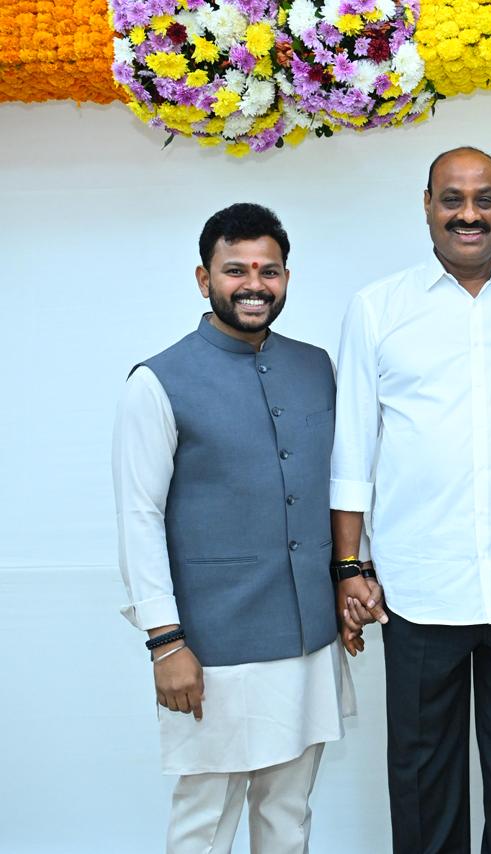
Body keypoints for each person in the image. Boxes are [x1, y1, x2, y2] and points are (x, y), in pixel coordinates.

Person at [330, 147, 491, 853]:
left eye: (484, 198)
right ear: (427, 206)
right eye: (453, 198)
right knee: (422, 782)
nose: (469, 214)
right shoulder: (377, 308)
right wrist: (348, 567)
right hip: (418, 585)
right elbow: (351, 450)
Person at [113, 203, 353, 853]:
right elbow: (138, 517)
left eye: (268, 270)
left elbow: (337, 486)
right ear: (204, 279)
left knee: (289, 812)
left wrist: (350, 578)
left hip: (308, 638)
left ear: (286, 277)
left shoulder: (316, 367)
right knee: (205, 820)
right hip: (212, 646)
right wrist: (165, 642)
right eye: (236, 270)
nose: (254, 284)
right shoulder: (157, 382)